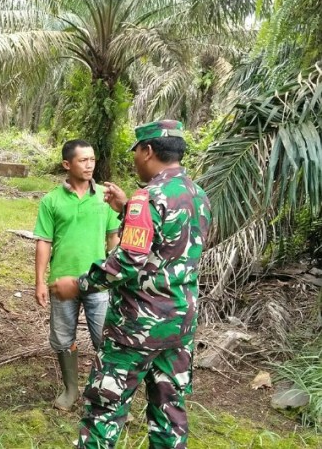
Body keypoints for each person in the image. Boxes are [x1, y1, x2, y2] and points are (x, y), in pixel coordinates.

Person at [51, 120, 211, 448]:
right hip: (180, 326)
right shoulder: (198, 194)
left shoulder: (147, 197)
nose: (135, 158)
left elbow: (127, 261)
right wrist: (126, 210)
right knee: (169, 410)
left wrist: (79, 285)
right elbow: (170, 243)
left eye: (137, 150)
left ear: (148, 150)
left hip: (137, 329)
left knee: (104, 410)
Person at [34, 139, 120, 411]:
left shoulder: (105, 197)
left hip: (98, 283)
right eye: (83, 160)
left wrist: (113, 272)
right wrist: (39, 281)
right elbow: (44, 242)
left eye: (92, 159)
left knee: (105, 339)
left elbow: (113, 238)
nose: (89, 164)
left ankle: (108, 395)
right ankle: (71, 390)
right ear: (67, 164)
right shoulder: (52, 200)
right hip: (62, 282)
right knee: (62, 338)